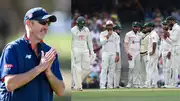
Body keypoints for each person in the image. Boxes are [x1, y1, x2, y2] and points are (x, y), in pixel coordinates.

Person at [0, 7, 65, 101]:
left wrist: (48, 72)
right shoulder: (13, 49)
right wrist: (39, 68)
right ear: (29, 24)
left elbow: (61, 91)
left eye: (48, 23)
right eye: (43, 22)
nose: (46, 27)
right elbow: (10, 84)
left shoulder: (49, 51)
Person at [71, 16, 96, 91]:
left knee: (88, 69)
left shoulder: (86, 29)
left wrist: (92, 51)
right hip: (76, 50)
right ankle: (79, 86)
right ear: (77, 24)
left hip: (85, 50)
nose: (82, 26)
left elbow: (89, 41)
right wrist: (72, 52)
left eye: (83, 24)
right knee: (77, 69)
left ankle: (76, 83)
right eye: (80, 24)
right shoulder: (72, 30)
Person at [99, 20, 120, 89]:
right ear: (106, 26)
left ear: (112, 26)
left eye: (111, 25)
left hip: (113, 53)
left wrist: (117, 55)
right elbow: (102, 43)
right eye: (108, 25)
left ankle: (110, 85)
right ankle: (102, 85)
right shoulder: (102, 33)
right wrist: (108, 35)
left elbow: (117, 45)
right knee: (104, 69)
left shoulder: (116, 35)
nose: (110, 27)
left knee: (112, 70)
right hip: (105, 53)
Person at [124, 21, 142, 88]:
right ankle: (129, 83)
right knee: (131, 68)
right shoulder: (128, 34)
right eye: (134, 26)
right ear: (132, 27)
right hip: (131, 53)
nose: (135, 28)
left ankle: (136, 83)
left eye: (136, 26)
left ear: (138, 27)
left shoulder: (140, 34)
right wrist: (127, 53)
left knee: (137, 69)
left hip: (138, 53)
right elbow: (125, 44)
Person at [164, 16, 180, 87]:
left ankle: (174, 83)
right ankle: (173, 83)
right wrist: (166, 38)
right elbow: (171, 42)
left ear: (173, 21)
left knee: (176, 67)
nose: (168, 23)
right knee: (174, 67)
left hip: (177, 48)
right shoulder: (174, 28)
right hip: (175, 47)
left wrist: (169, 35)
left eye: (168, 22)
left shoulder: (176, 28)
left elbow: (175, 39)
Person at [145, 22, 160, 88]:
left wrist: (153, 51)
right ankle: (154, 83)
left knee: (149, 68)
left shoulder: (153, 34)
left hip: (153, 52)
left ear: (151, 27)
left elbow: (154, 43)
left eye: (147, 27)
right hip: (153, 52)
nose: (146, 28)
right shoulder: (151, 34)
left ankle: (148, 83)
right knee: (154, 69)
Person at [159, 20, 172, 88]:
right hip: (163, 52)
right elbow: (161, 45)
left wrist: (170, 51)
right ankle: (166, 83)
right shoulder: (162, 34)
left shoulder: (171, 32)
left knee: (168, 68)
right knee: (164, 69)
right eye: (163, 25)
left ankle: (169, 83)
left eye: (165, 25)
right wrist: (159, 54)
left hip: (169, 52)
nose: (164, 26)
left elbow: (173, 43)